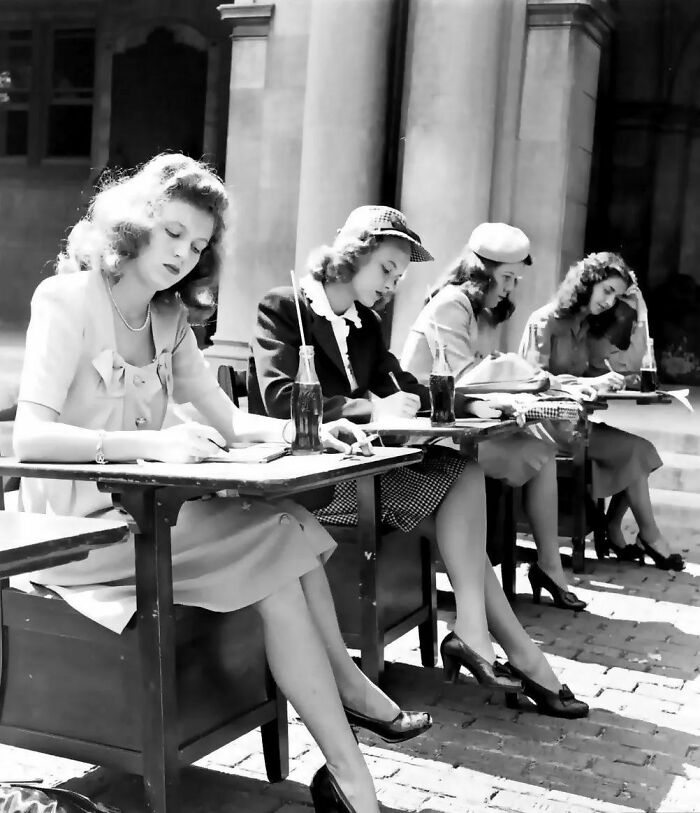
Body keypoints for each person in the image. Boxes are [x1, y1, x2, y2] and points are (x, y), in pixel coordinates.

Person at [11, 155, 432, 813]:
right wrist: (153, 443)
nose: (184, 253)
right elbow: (29, 439)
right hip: (78, 534)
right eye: (173, 232)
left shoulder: (171, 317)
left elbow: (229, 421)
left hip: (144, 517)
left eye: (199, 243)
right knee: (276, 539)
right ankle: (350, 741)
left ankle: (352, 767)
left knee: (289, 523)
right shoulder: (66, 299)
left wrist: (311, 433)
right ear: (134, 223)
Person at [249, 205, 588, 719]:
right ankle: (514, 653)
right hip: (314, 483)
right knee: (463, 499)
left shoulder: (365, 323)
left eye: (399, 277)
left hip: (367, 474)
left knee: (464, 475)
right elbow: (278, 400)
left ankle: (484, 636)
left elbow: (403, 384)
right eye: (386, 269)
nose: (391, 285)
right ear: (351, 255)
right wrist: (369, 409)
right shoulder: (283, 307)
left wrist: (468, 403)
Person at [401, 223, 586, 611]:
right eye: (506, 277)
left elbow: (485, 373)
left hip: (460, 422)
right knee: (538, 453)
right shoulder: (451, 303)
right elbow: (468, 377)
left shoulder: (477, 308)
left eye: (516, 279)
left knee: (541, 450)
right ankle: (531, 570)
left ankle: (548, 565)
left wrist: (544, 383)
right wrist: (534, 377)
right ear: (480, 269)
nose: (510, 288)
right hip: (424, 429)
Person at [519, 251, 684, 571]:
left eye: (617, 296)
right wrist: (586, 381)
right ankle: (647, 536)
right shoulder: (545, 321)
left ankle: (615, 529)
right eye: (607, 290)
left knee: (642, 451)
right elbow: (529, 381)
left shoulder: (587, 326)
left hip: (577, 426)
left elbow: (627, 365)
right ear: (587, 283)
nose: (610, 301)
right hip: (547, 429)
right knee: (638, 452)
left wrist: (641, 314)